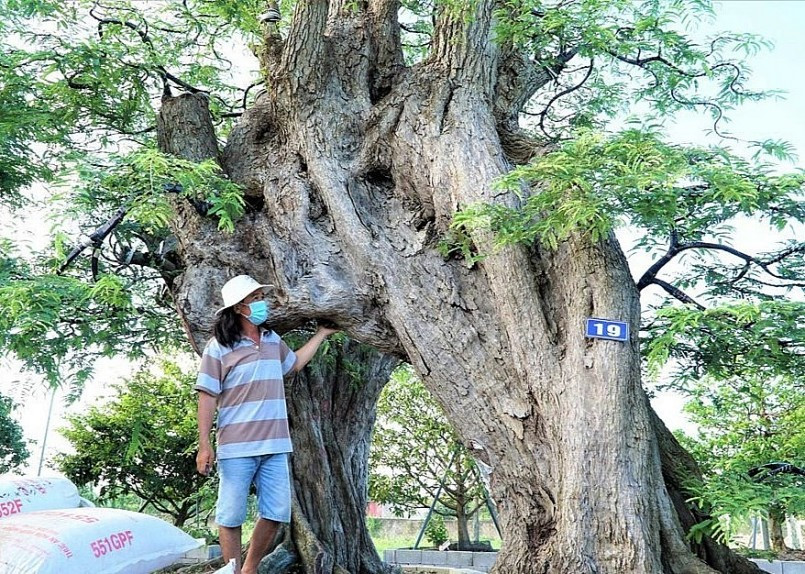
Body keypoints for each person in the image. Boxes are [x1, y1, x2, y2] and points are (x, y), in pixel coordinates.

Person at [194, 274, 337, 574]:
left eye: (261, 297)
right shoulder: (218, 346)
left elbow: (294, 364)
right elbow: (207, 395)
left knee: (276, 513)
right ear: (238, 307)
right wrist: (204, 445)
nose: (262, 303)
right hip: (236, 445)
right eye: (255, 299)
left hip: (275, 444)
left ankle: (250, 569)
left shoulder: (272, 340)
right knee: (231, 516)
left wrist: (322, 334)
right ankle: (233, 571)